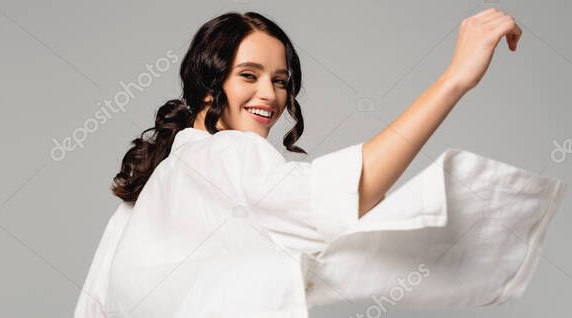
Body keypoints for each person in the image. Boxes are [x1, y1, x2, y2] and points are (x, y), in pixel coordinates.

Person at [74, 9, 567, 318]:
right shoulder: (226, 154)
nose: (270, 94)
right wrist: (454, 80)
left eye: (281, 80)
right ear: (209, 83)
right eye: (249, 75)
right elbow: (341, 195)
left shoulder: (155, 185)